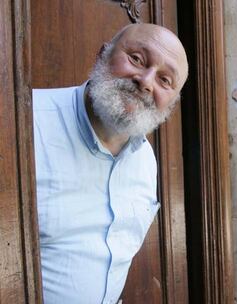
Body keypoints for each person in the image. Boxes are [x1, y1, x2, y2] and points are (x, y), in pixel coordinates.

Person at [33, 23, 188, 304]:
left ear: (172, 103)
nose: (146, 81)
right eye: (137, 59)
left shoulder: (145, 161)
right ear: (102, 54)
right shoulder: (26, 122)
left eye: (165, 80)